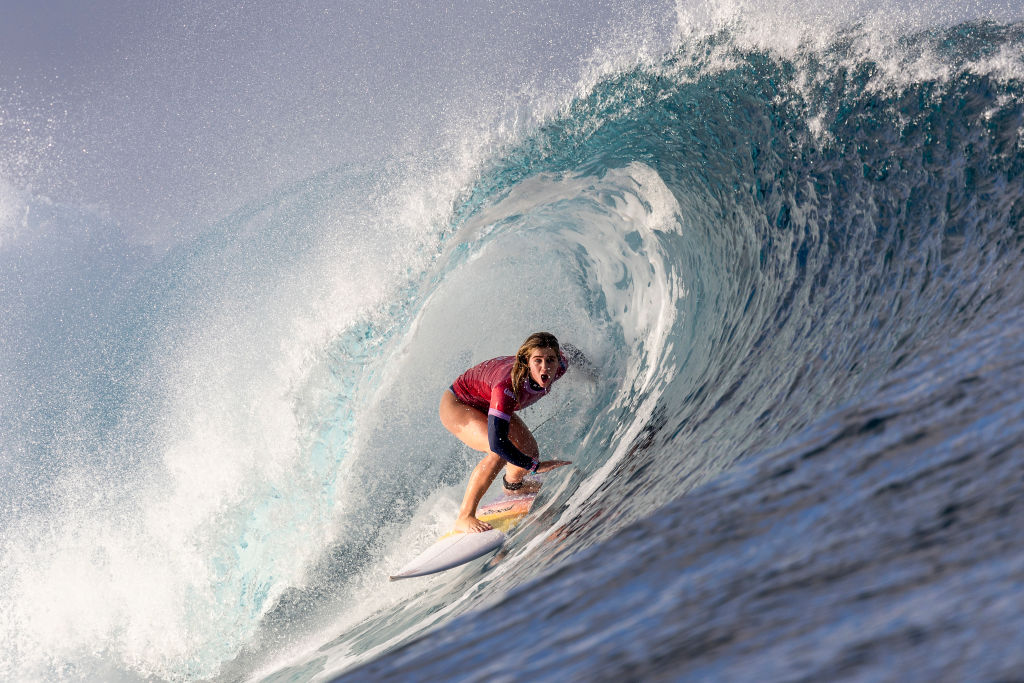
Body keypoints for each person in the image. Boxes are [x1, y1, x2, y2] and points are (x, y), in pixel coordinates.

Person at [440, 332, 593, 533]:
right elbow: (498, 443)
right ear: (526, 361)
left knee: (528, 450)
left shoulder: (560, 366)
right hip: (459, 403)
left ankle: (514, 486)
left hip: (487, 401)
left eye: (550, 360)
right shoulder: (508, 386)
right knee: (498, 451)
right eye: (537, 360)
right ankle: (465, 516)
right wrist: (535, 467)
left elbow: (571, 351)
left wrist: (594, 373)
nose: (545, 367)